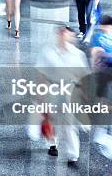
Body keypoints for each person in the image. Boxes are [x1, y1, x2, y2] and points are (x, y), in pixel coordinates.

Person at [35, 26, 90, 167]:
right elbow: (41, 75)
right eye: (62, 33)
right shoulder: (47, 53)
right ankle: (52, 143)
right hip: (51, 89)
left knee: (69, 124)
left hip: (70, 91)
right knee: (52, 119)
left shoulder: (77, 55)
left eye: (68, 34)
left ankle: (73, 156)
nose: (65, 36)